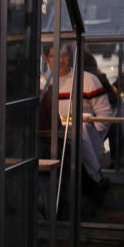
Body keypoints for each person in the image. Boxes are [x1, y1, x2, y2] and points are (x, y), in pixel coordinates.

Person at [42, 44, 111, 202]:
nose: (60, 60)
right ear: (45, 58)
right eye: (54, 56)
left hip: (85, 141)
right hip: (51, 141)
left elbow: (104, 114)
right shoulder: (42, 83)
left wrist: (95, 139)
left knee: (81, 129)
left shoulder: (87, 80)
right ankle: (95, 179)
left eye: (64, 55)